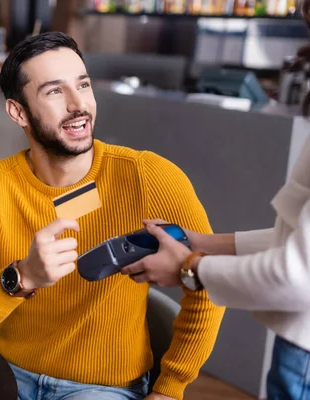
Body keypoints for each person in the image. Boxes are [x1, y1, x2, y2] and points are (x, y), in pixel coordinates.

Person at [0, 32, 225, 400]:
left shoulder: (147, 176)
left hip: (101, 389)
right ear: (18, 112)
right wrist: (23, 277)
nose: (78, 105)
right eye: (54, 91)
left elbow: (210, 283)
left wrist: (170, 388)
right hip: (6, 375)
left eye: (83, 85)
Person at [121, 5, 310, 398]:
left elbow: (297, 273)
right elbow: (300, 244)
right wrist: (204, 242)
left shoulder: (153, 173)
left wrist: (190, 268)